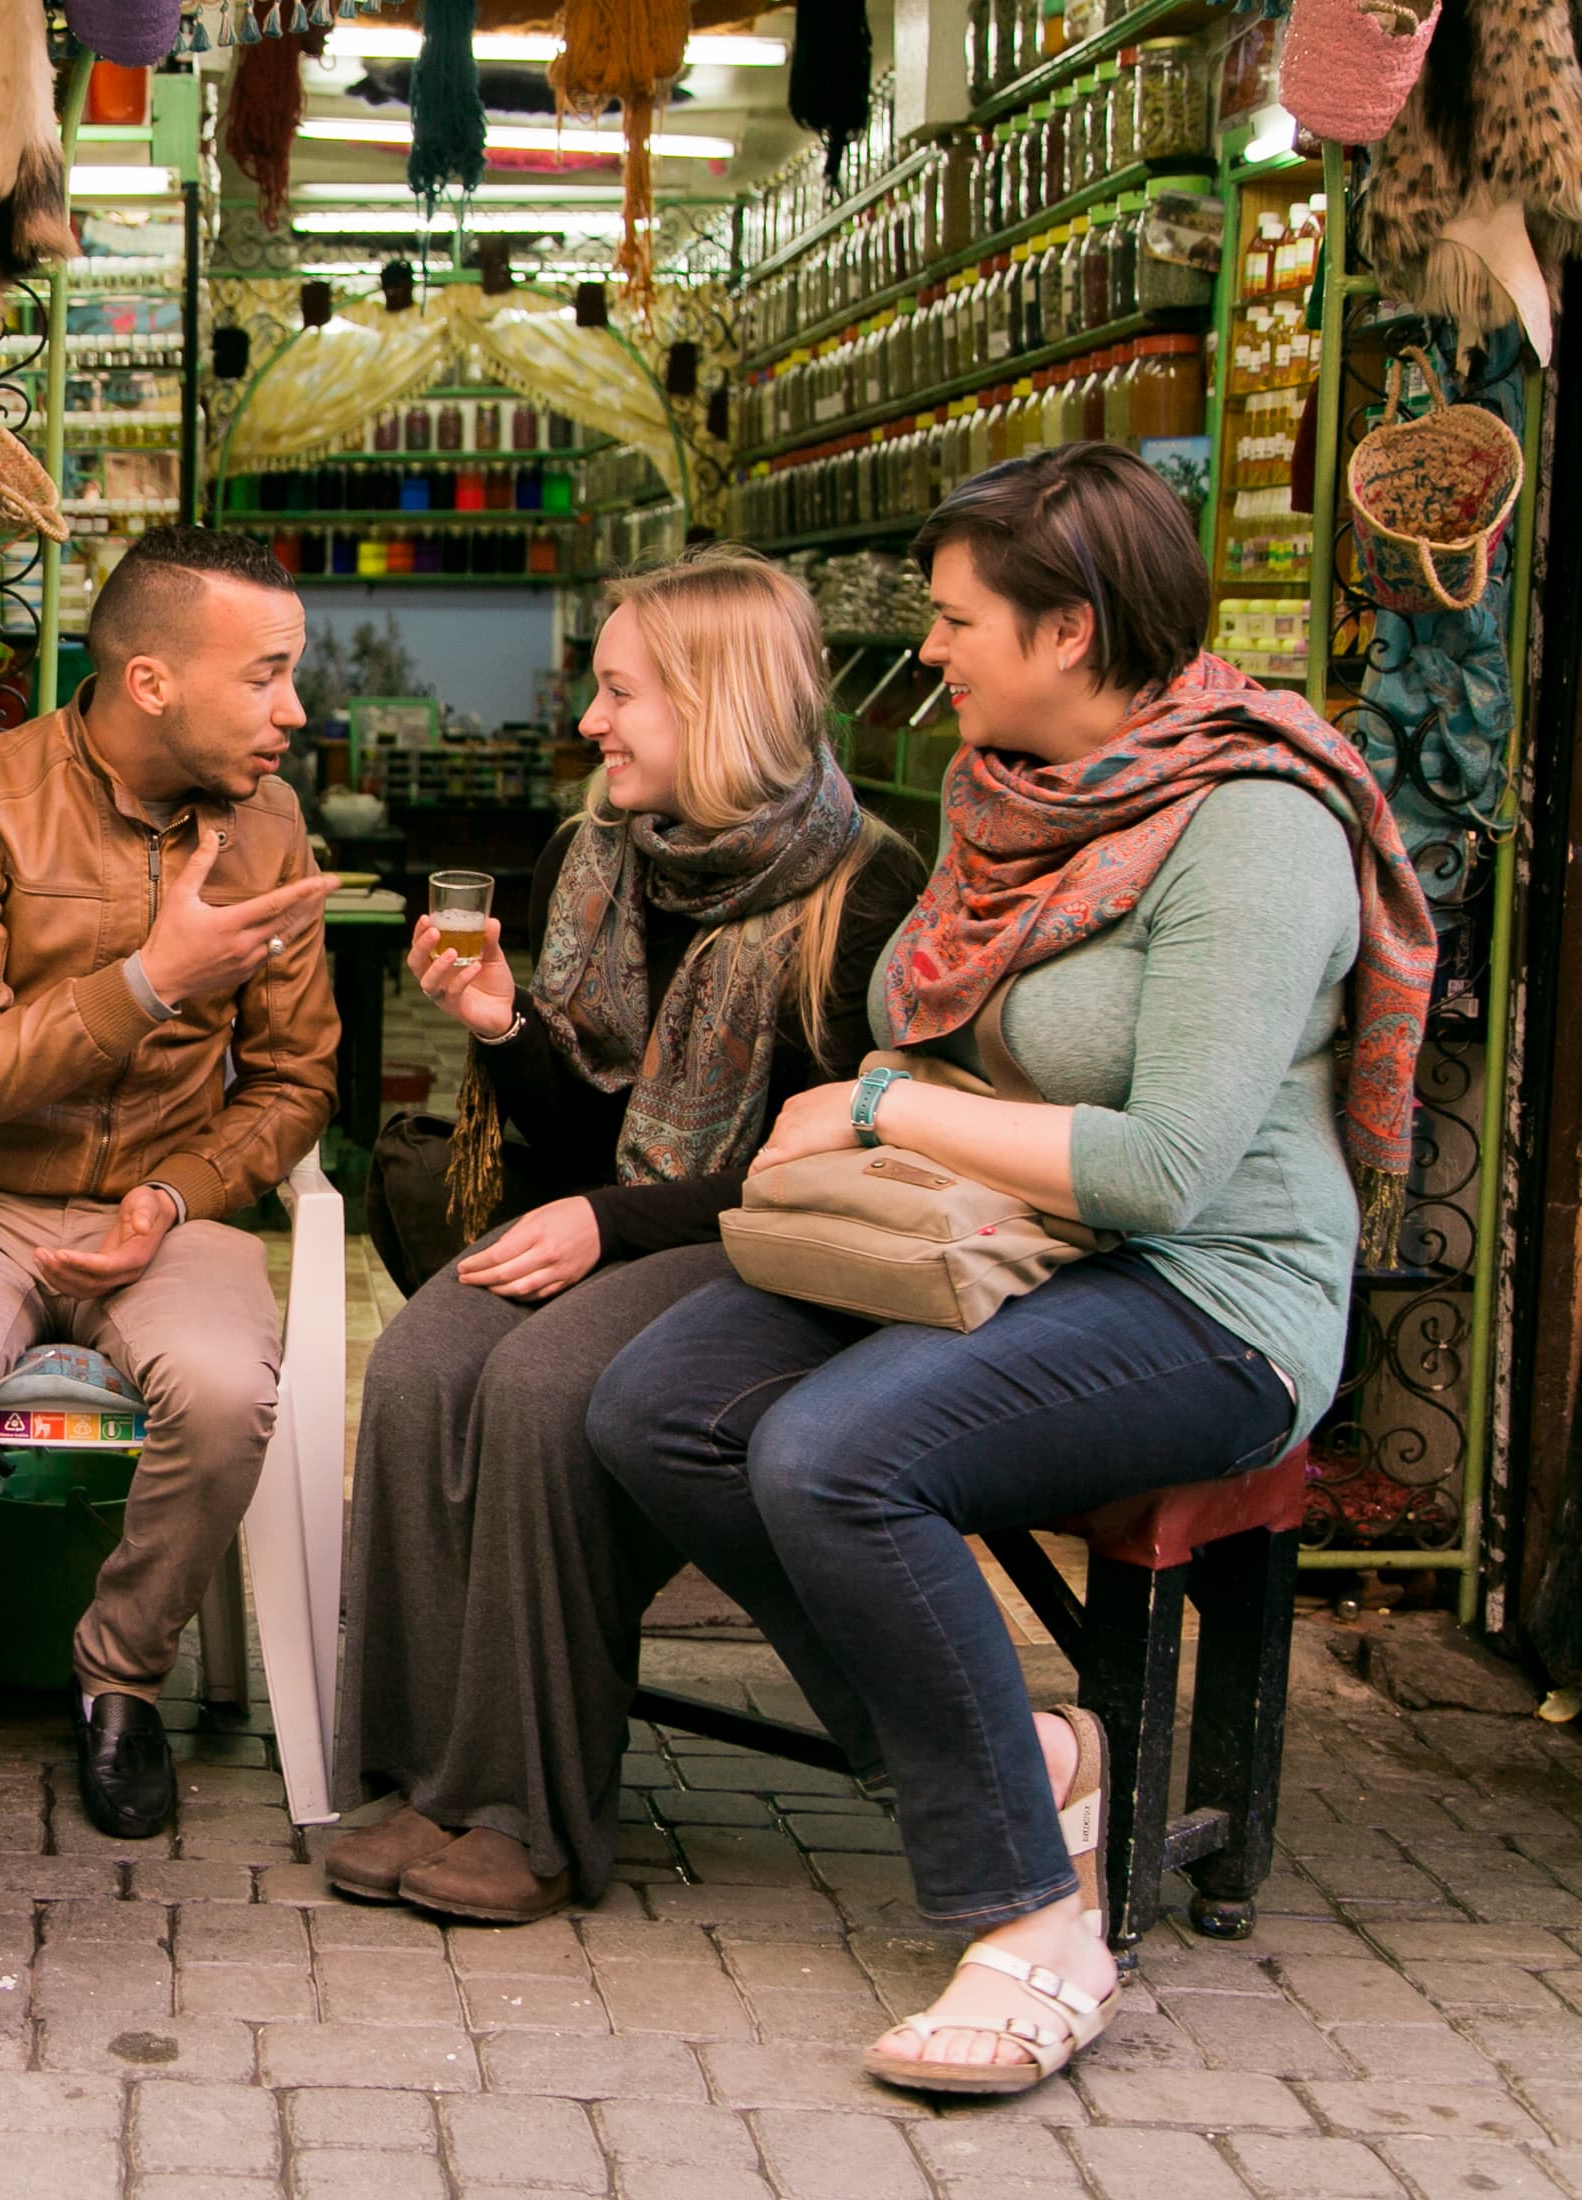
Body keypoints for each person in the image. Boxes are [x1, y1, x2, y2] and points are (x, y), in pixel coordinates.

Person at [586, 445, 1436, 2096]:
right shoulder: (1017, 802)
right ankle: (1029, 1757)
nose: (933, 653)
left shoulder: (1246, 828)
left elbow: (1164, 1169)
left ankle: (1037, 1916)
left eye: (963, 621)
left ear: (1072, 631)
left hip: (1209, 1296)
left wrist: (889, 1102)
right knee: (662, 1403)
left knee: (836, 1454)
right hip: (1021, 1250)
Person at [330, 546, 923, 1925]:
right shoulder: (598, 855)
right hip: (620, 1221)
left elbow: (833, 1176)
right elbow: (572, 1145)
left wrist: (607, 1225)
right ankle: (428, 1776)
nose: (591, 724)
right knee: (424, 1361)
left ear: (716, 703)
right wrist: (499, 1032)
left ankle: (530, 1817)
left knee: (542, 1390)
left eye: (619, 693)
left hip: (771, 1254)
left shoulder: (860, 892)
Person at [0, 524, 340, 1840]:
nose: (295, 711)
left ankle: (118, 1678)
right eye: (267, 677)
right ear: (150, 685)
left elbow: (298, 1080)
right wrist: (150, 983)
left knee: (230, 1391)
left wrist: (170, 1199)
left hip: (169, 1206)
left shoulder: (272, 824)